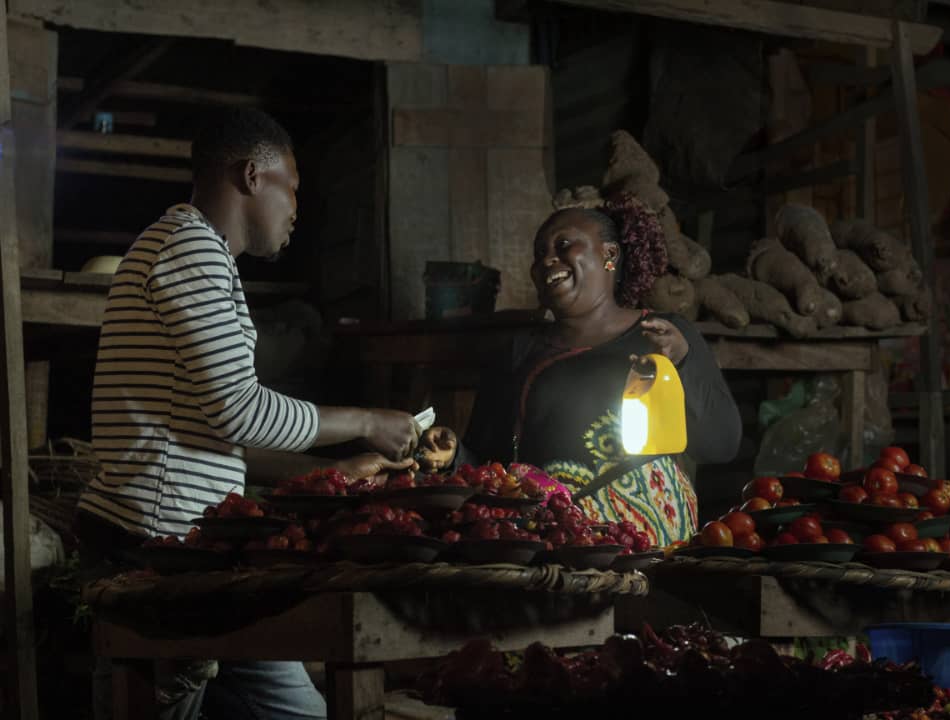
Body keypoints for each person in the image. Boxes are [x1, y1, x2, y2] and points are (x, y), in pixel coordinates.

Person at [75, 107, 418, 720]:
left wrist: (331, 474)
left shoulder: (202, 255)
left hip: (205, 554)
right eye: (293, 188)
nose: (296, 210)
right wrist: (366, 420)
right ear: (252, 176)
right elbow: (238, 413)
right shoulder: (190, 251)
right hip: (158, 550)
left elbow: (216, 433)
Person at [418, 193, 742, 546]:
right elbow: (487, 463)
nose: (547, 260)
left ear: (609, 255)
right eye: (539, 253)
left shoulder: (666, 335)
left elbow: (721, 443)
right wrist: (452, 456)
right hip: (553, 547)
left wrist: (681, 361)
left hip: (650, 551)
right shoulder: (518, 353)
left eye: (564, 244)